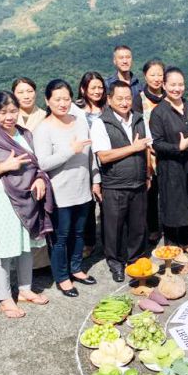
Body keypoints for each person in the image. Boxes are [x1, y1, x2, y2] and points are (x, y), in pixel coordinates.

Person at [0, 91, 52, 319]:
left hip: (28, 198)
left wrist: (39, 178)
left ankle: (25, 289)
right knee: (3, 251)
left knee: (26, 245)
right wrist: (3, 167)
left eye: (13, 111)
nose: (9, 117)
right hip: (1, 200)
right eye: (3, 112)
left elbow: (38, 165)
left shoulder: (25, 134)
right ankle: (5, 297)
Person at [34, 80, 98, 297]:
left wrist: (95, 180)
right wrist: (71, 151)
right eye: (57, 99)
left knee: (79, 233)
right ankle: (62, 277)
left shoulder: (80, 122)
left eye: (66, 99)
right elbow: (43, 163)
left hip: (82, 189)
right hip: (60, 194)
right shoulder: (44, 129)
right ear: (47, 101)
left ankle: (76, 268)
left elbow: (90, 154)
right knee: (61, 238)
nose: (62, 103)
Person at [89, 81, 151, 282]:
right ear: (109, 99)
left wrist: (148, 174)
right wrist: (133, 148)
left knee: (137, 226)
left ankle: (135, 261)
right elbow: (104, 156)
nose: (125, 103)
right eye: (120, 98)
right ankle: (116, 264)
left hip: (138, 182)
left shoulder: (139, 118)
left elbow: (146, 148)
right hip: (115, 185)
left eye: (128, 98)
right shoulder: (101, 123)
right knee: (114, 228)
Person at [150, 67, 188, 248]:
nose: (177, 89)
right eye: (173, 85)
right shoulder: (159, 112)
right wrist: (178, 147)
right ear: (164, 85)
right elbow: (157, 143)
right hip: (172, 167)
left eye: (180, 84)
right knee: (174, 206)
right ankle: (173, 245)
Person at [132, 59, 166, 244]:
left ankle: (169, 226)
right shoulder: (139, 99)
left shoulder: (169, 95)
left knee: (169, 190)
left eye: (160, 74)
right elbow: (137, 126)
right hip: (148, 152)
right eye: (152, 74)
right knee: (150, 192)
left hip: (168, 151)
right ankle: (152, 228)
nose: (157, 78)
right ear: (145, 76)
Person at [74, 71, 107, 256]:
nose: (97, 91)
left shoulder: (108, 107)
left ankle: (108, 241)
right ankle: (89, 242)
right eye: (93, 87)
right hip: (84, 162)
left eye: (100, 87)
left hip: (106, 161)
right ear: (83, 89)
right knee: (87, 205)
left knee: (106, 203)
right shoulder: (74, 110)